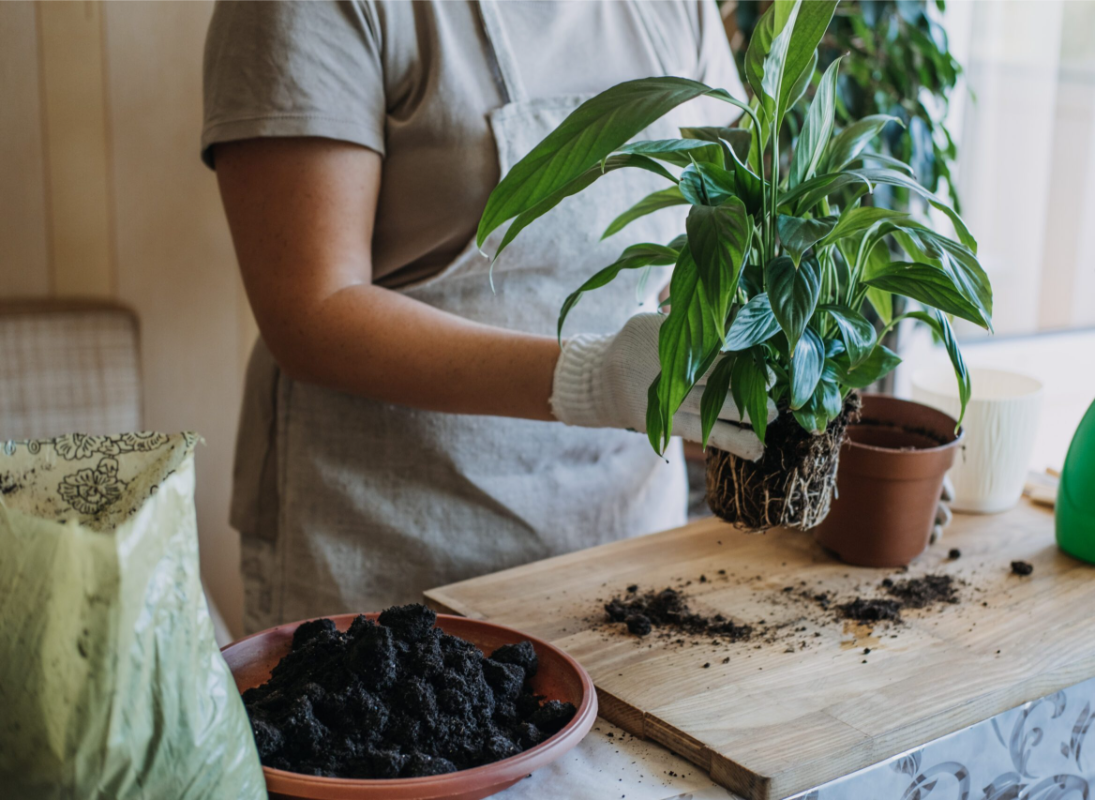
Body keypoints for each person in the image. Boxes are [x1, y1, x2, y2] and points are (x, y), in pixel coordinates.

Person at [202, 0, 762, 633]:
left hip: (624, 548)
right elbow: (310, 312)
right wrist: (596, 378)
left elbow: (718, 221)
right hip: (389, 561)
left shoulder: (676, 10)